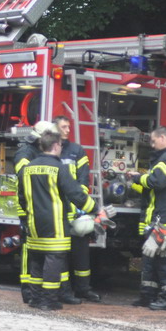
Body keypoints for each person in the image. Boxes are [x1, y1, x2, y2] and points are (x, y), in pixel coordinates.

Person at [16, 129, 95, 310]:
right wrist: (95, 209)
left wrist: (29, 214)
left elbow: (21, 197)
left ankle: (35, 298)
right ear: (56, 145)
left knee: (36, 260)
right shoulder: (59, 168)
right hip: (55, 224)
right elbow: (75, 194)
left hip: (34, 223)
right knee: (54, 260)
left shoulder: (27, 169)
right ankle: (49, 300)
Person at [129, 126, 166, 311]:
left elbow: (157, 182)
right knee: (151, 260)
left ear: (163, 138)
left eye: (153, 141)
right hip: (161, 219)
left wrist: (139, 178)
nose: (152, 145)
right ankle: (148, 296)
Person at [54, 115, 101, 303]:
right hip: (59, 211)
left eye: (68, 126)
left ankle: (83, 288)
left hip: (77, 210)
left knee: (81, 253)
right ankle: (64, 291)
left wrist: (80, 204)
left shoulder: (76, 150)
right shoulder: (51, 150)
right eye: (63, 127)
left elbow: (83, 179)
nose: (67, 130)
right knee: (61, 253)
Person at [12, 120, 55, 304]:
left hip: (40, 208)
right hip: (27, 208)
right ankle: (27, 291)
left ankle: (37, 290)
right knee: (28, 251)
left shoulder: (39, 151)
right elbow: (25, 178)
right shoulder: (25, 153)